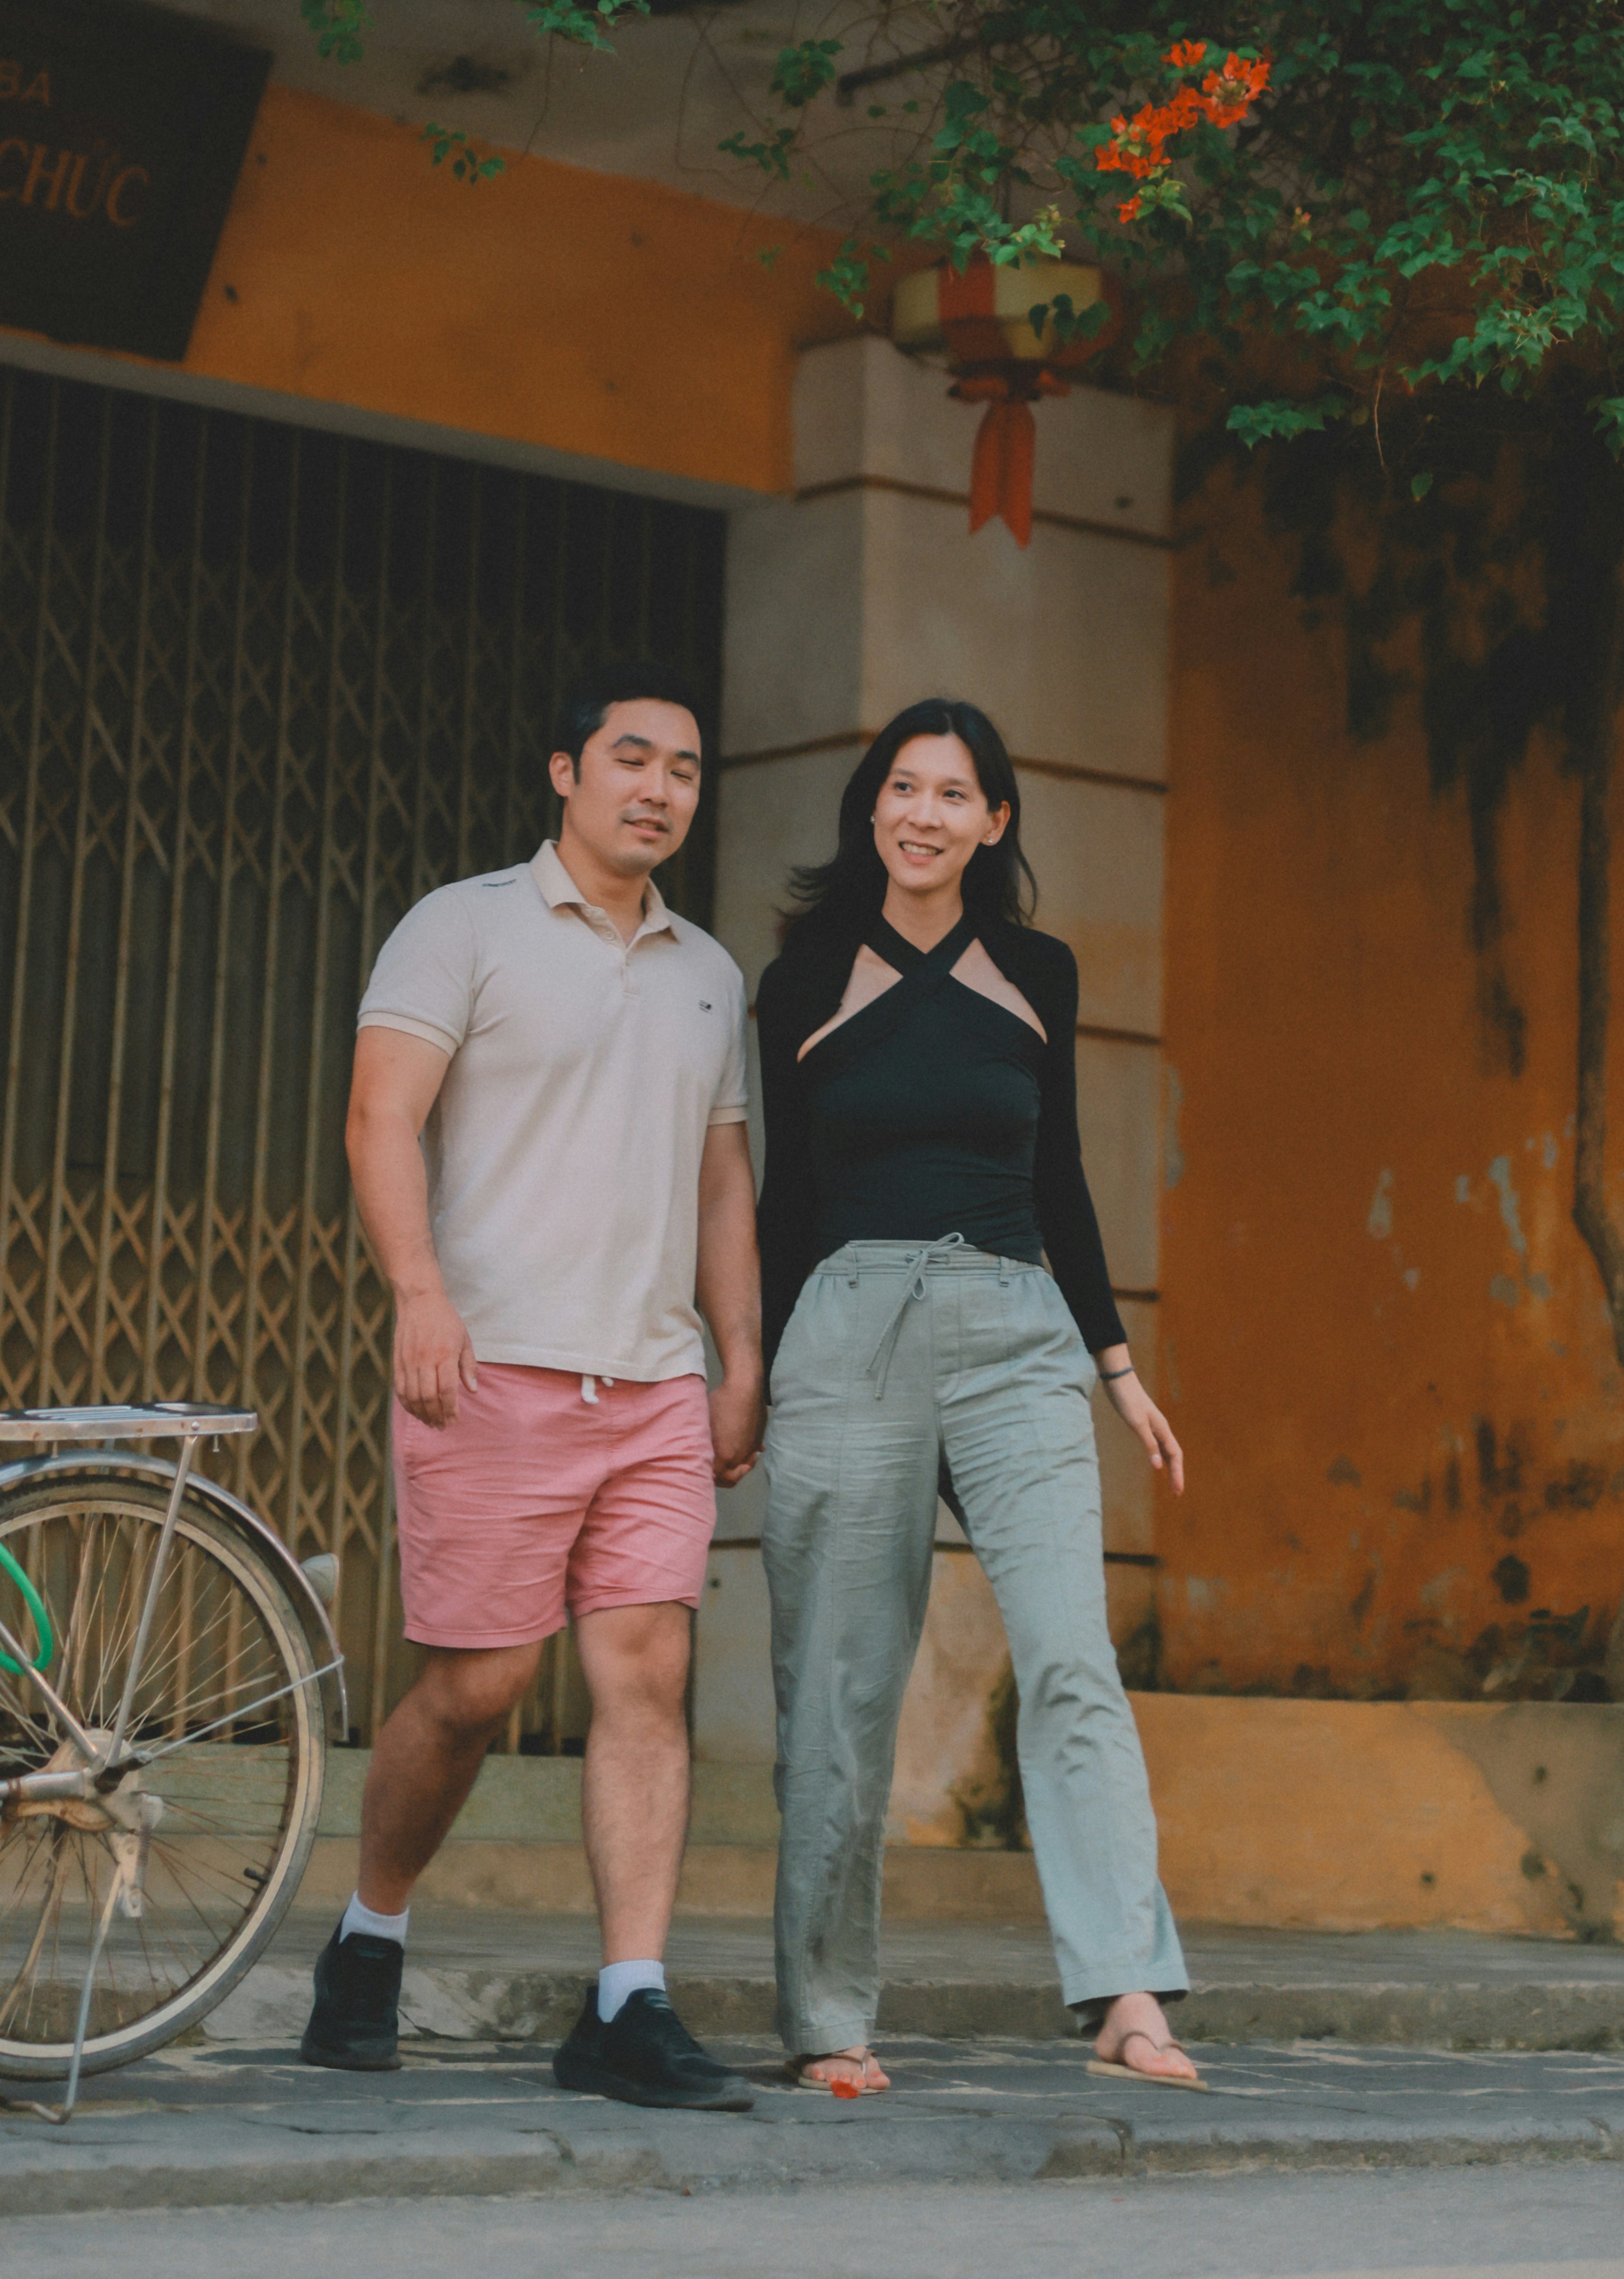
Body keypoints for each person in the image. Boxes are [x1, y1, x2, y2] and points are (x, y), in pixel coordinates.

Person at [301, 669, 764, 2113]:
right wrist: (418, 1294)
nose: (659, 787)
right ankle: (371, 1931)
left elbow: (722, 1178)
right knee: (479, 1687)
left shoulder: (710, 971)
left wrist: (741, 1358)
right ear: (566, 771)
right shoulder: (464, 925)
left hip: (653, 1386)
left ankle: (629, 2000)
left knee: (647, 1676)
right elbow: (384, 1113)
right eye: (632, 758)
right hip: (491, 1367)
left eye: (684, 769)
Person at [756, 694, 1196, 2096]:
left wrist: (1117, 1369)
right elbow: (786, 1200)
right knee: (838, 1688)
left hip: (1019, 1331)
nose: (923, 813)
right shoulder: (806, 973)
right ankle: (829, 2018)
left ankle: (1128, 1994)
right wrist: (747, 1376)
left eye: (954, 794)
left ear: (995, 821)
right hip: (850, 1330)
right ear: (871, 807)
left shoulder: (1040, 973)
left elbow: (1058, 1176)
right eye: (903, 786)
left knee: (1073, 1656)